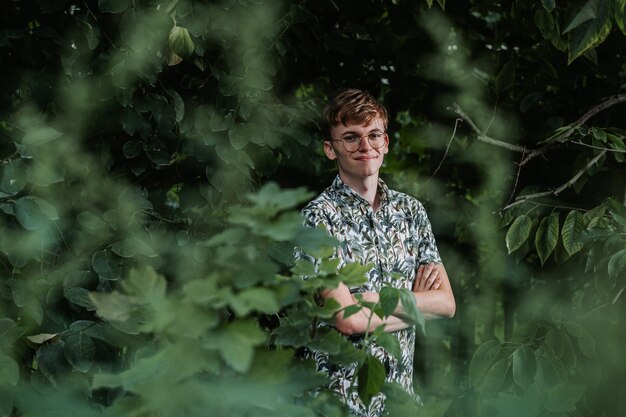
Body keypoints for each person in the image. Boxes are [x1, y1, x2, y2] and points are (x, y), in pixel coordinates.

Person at [296, 88, 455, 417]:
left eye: (373, 135)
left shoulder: (411, 212)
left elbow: (447, 304)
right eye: (351, 137)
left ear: (386, 142)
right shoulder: (318, 218)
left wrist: (376, 299)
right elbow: (348, 321)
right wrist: (415, 308)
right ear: (330, 149)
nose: (365, 146)